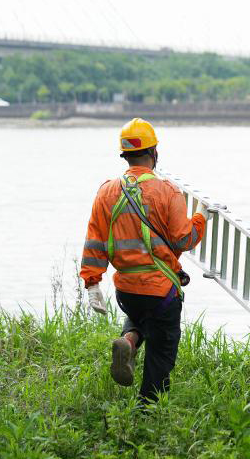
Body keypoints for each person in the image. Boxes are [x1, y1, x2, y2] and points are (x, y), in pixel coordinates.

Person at [79, 117, 208, 404]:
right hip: (160, 291)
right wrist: (201, 218)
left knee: (139, 319)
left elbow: (94, 241)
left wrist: (92, 284)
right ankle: (147, 413)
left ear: (124, 156)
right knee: (160, 356)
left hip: (126, 291)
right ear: (155, 153)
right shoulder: (168, 191)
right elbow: (183, 240)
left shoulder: (106, 192)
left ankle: (128, 341)